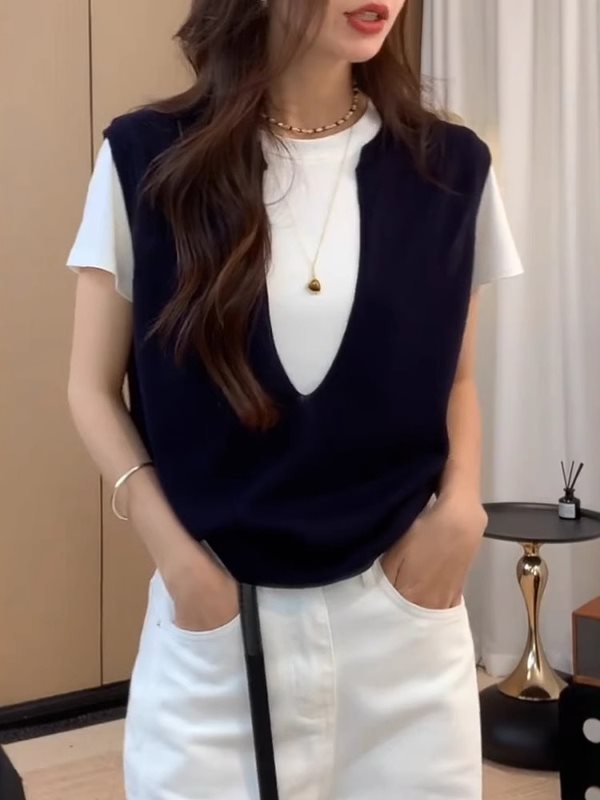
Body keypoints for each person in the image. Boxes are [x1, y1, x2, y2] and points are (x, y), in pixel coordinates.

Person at [66, 0, 524, 797]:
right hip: (216, 622)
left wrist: (462, 512)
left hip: (401, 625)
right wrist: (178, 562)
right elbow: (90, 388)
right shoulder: (147, 157)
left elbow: (454, 377)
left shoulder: (452, 168)